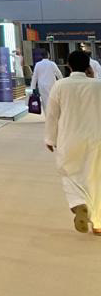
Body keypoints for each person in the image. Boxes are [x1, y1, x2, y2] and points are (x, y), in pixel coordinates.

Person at [44, 49, 101, 236]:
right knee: (96, 177)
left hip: (69, 138)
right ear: (88, 66)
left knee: (69, 173)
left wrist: (50, 138)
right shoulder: (98, 85)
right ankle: (98, 223)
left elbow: (52, 115)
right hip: (96, 137)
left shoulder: (60, 85)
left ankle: (79, 203)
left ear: (68, 66)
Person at [30, 50, 62, 114]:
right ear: (48, 55)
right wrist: (61, 82)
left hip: (42, 85)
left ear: (41, 56)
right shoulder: (52, 63)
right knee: (53, 99)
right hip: (52, 84)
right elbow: (58, 74)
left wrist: (33, 87)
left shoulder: (38, 64)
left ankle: (47, 115)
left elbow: (34, 76)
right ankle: (54, 113)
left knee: (45, 101)